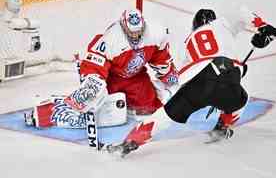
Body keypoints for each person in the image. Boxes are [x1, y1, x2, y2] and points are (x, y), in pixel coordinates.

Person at [114, 8, 276, 154]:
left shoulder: (188, 42)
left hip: (196, 84)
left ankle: (126, 145)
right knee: (241, 100)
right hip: (226, 73)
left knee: (163, 118)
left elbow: (182, 78)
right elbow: (242, 12)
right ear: (213, 21)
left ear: (194, 26)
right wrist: (262, 26)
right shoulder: (221, 24)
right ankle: (222, 129)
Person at [24, 8, 179, 128]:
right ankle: (54, 111)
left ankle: (125, 105)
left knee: (149, 108)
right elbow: (94, 64)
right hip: (111, 77)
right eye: (132, 33)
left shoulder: (156, 33)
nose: (136, 35)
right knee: (101, 104)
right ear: (124, 27)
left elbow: (161, 58)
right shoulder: (111, 39)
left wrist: (169, 76)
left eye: (139, 31)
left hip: (136, 78)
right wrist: (93, 83)